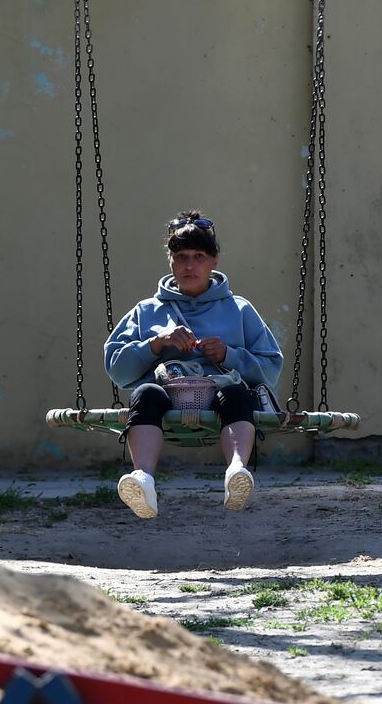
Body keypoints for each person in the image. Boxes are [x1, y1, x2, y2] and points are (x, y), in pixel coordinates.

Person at [103, 210, 283, 519]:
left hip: (222, 398)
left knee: (238, 393)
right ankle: (143, 479)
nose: (189, 266)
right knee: (145, 393)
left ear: (214, 262)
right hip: (165, 400)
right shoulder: (147, 311)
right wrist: (155, 344)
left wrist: (229, 355)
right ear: (170, 262)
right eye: (181, 256)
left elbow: (271, 369)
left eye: (199, 256)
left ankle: (237, 472)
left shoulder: (239, 309)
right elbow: (118, 370)